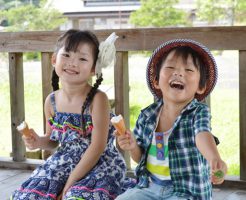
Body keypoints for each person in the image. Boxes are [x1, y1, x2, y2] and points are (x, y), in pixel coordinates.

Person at [11, 29, 135, 200]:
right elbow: (53, 141)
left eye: (82, 58)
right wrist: (38, 141)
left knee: (76, 196)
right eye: (67, 55)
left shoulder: (98, 100)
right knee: (31, 196)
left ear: (93, 69)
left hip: (99, 164)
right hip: (64, 163)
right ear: (54, 59)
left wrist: (70, 182)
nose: (73, 63)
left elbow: (97, 147)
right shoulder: (51, 101)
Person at [115, 39, 227, 200]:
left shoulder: (198, 112)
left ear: (200, 87)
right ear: (156, 81)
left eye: (188, 70)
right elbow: (140, 158)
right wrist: (132, 146)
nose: (179, 73)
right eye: (170, 67)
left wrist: (214, 159)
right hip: (150, 187)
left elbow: (202, 134)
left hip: (186, 192)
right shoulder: (147, 116)